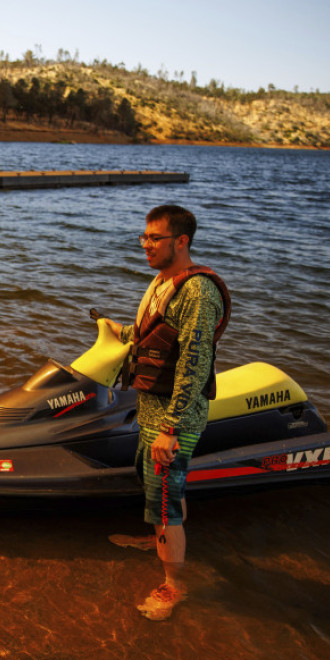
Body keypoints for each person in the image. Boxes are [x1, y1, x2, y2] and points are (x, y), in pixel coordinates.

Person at [103, 204, 230, 621]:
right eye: (144, 237)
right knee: (155, 489)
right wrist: (116, 330)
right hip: (153, 411)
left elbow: (194, 364)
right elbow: (154, 335)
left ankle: (174, 585)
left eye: (154, 238)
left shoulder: (197, 292)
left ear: (181, 242)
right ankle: (157, 537)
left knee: (165, 503)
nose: (145, 245)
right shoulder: (163, 282)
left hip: (174, 420)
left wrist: (171, 429)